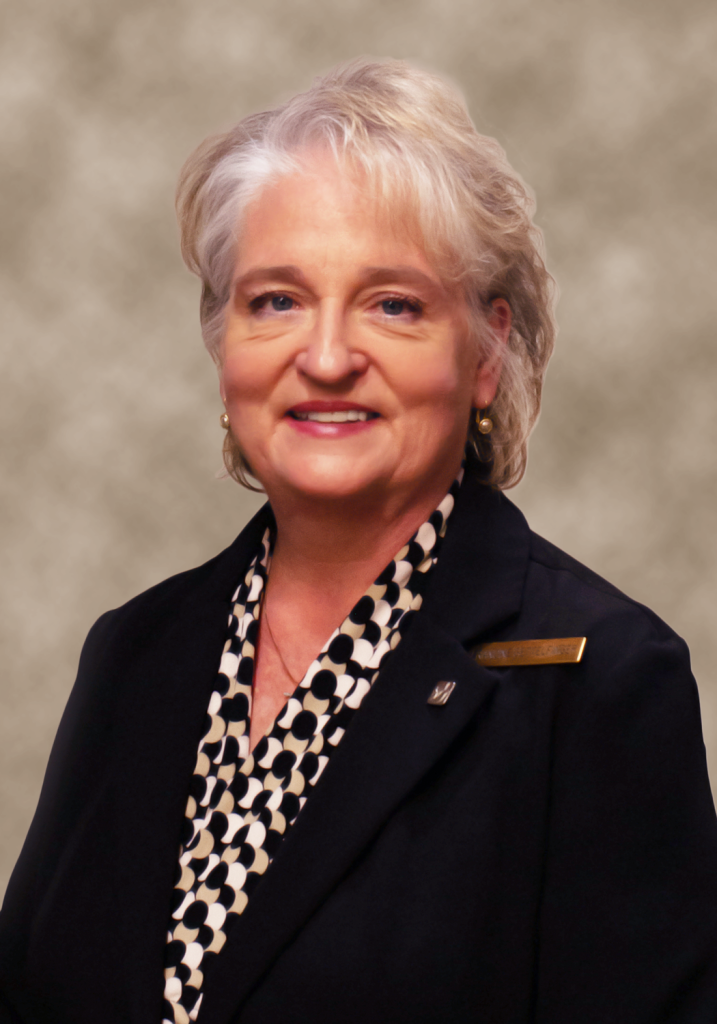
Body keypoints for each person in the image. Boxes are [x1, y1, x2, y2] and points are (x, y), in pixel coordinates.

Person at [1, 56, 716, 1024]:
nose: (327, 356)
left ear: (486, 353)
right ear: (223, 345)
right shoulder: (136, 651)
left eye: (394, 304)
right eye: (276, 300)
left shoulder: (595, 678)